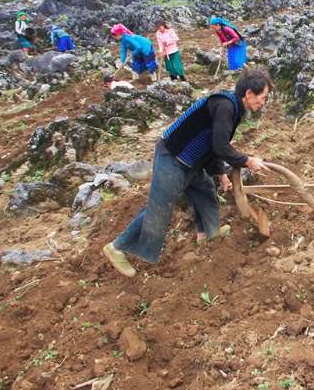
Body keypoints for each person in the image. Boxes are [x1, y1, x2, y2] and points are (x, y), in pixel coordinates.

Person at [102, 68, 273, 277]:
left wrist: (220, 172)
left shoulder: (233, 106)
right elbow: (220, 146)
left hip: (192, 160)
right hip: (173, 156)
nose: (263, 103)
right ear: (248, 94)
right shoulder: (226, 106)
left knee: (206, 191)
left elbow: (217, 141)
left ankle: (208, 234)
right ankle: (117, 247)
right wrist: (247, 161)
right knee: (160, 206)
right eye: (262, 98)